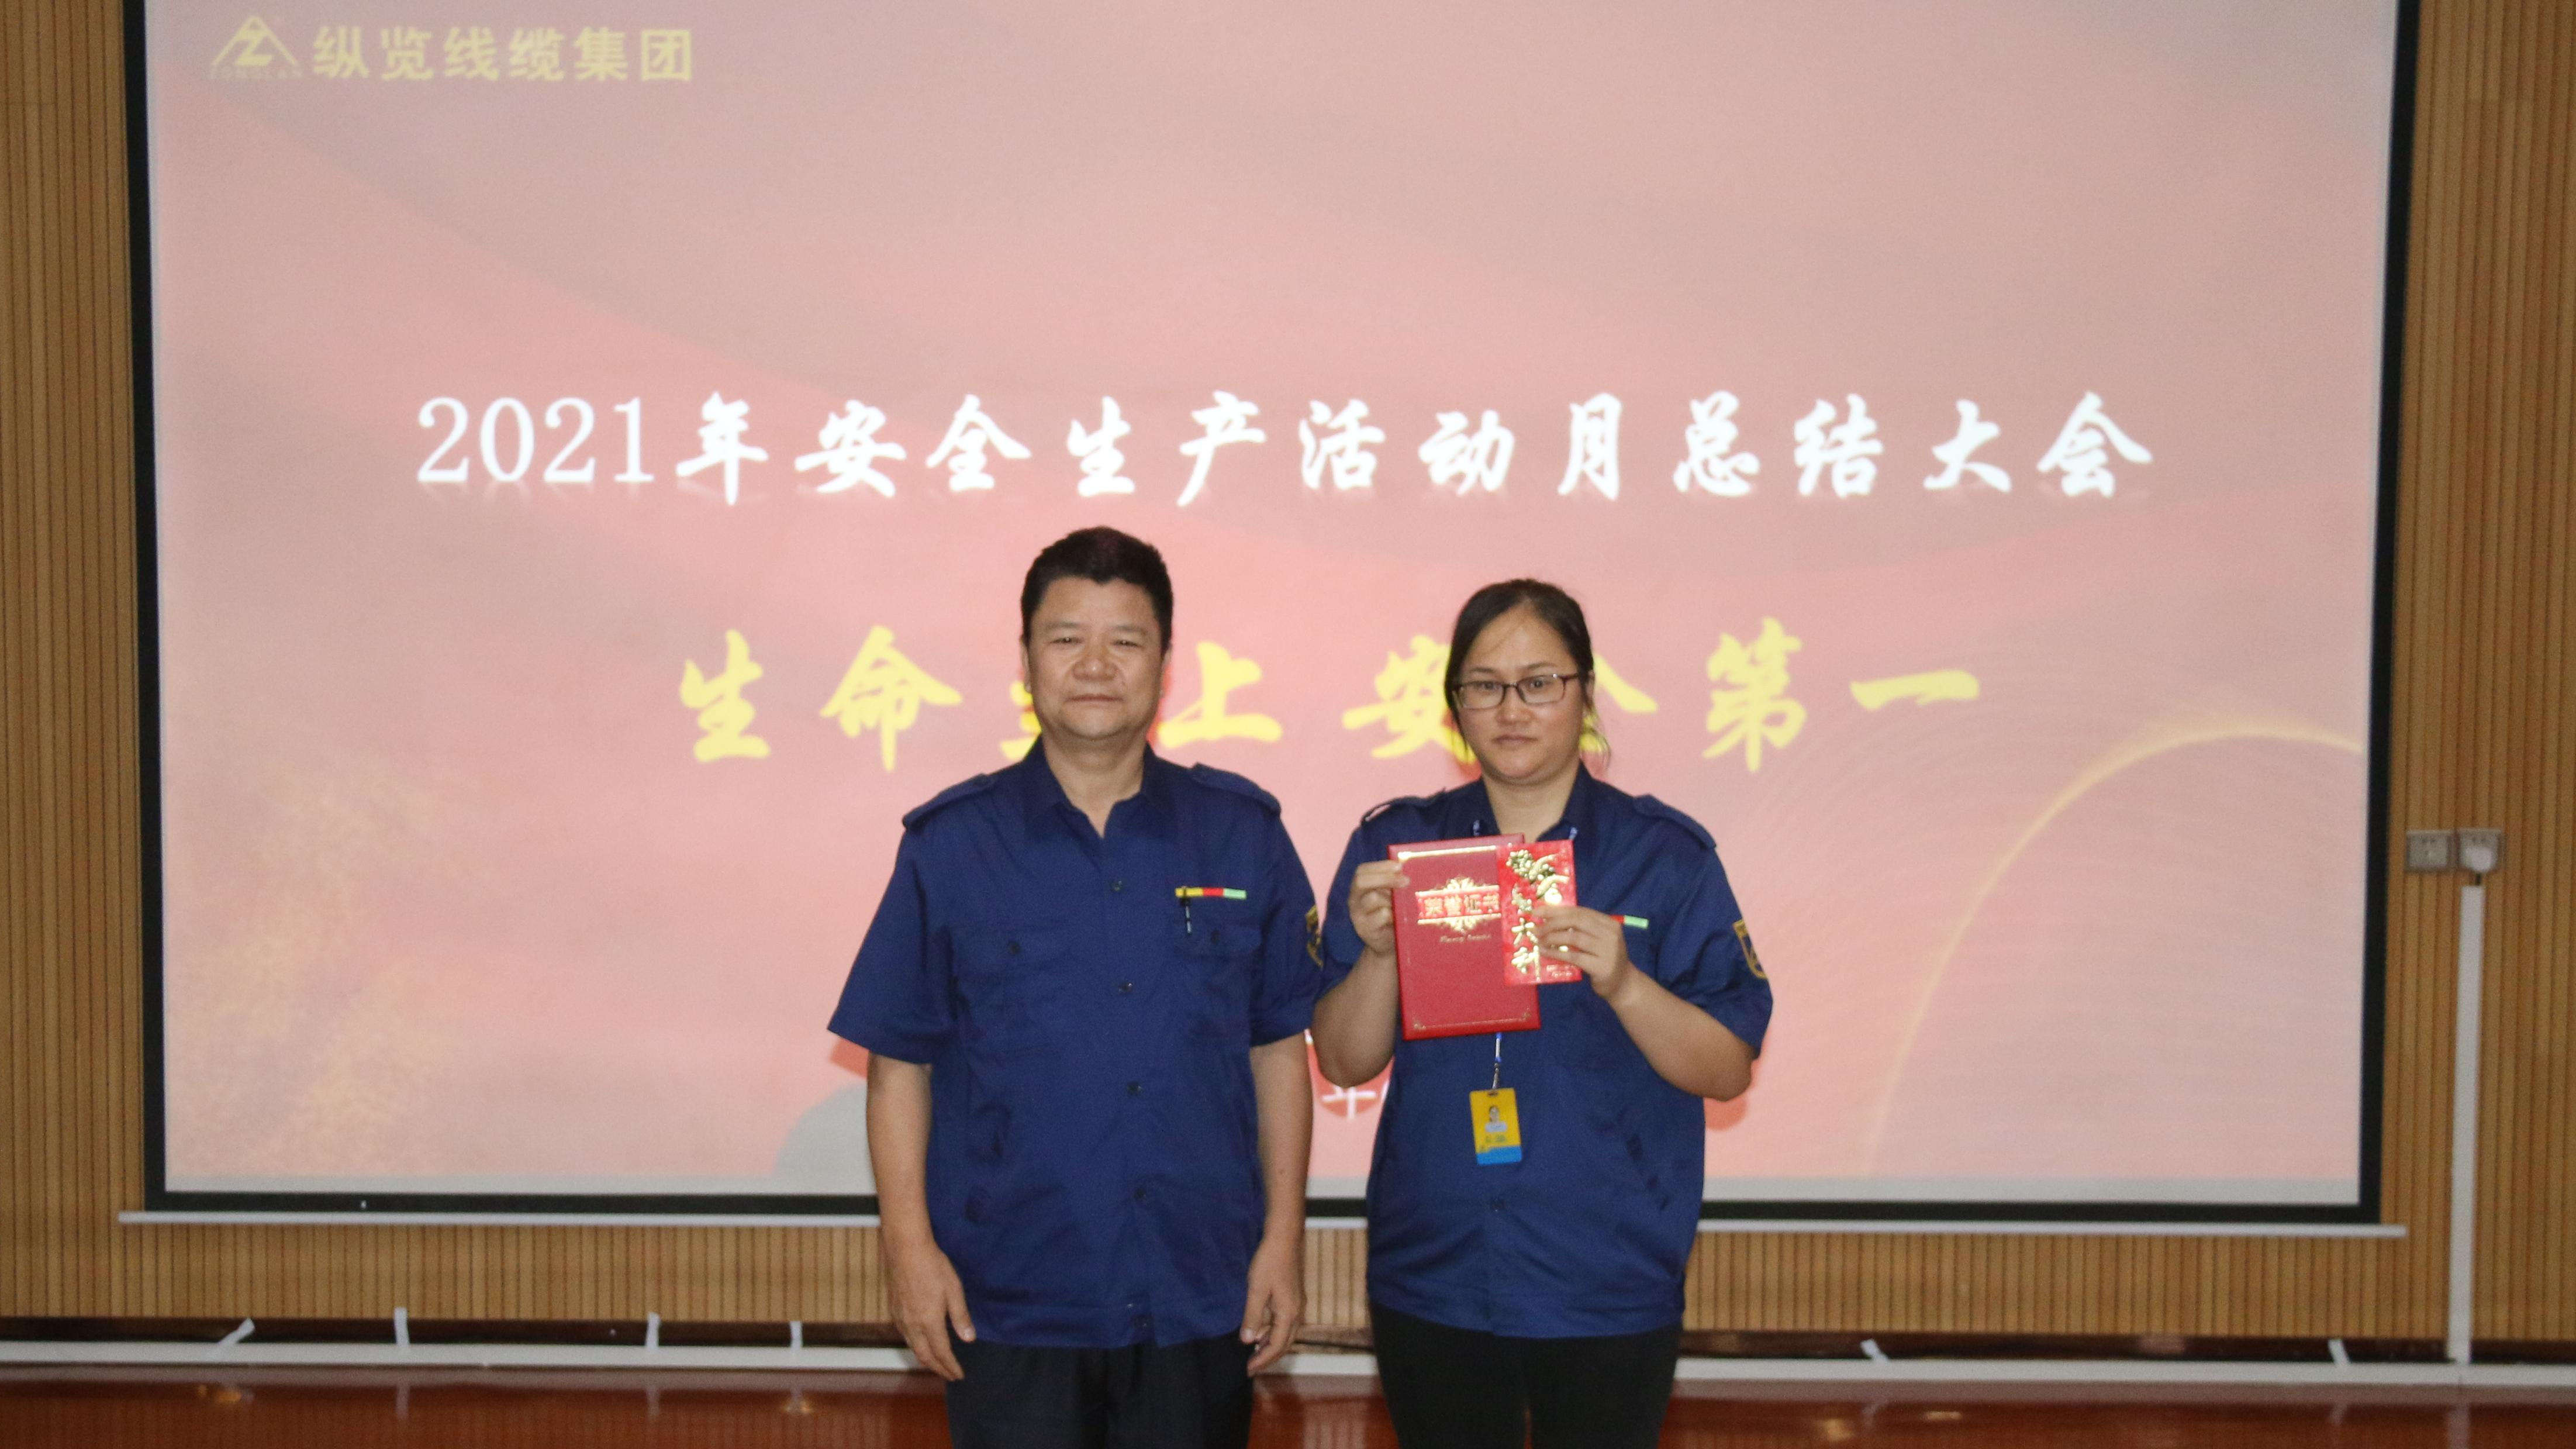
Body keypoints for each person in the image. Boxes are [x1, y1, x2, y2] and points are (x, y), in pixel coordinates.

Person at [829, 527, 1317, 1449]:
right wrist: (909, 1252)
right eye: (1066, 639)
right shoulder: (951, 844)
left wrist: (1283, 1242)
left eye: (1125, 640)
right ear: (1025, 660)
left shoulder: (1240, 833)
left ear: (1164, 664)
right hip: (1008, 1295)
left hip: (1195, 1285)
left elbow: (1277, 1049)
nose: (1095, 665)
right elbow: (898, 1067)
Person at [1308, 579, 1773, 1449]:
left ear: (1584, 693)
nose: (1511, 709)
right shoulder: (1398, 850)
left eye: (1539, 683)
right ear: (1455, 706)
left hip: (1605, 1271)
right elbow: (1342, 1060)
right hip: (1436, 1267)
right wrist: (1380, 954)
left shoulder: (1664, 856)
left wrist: (1626, 984)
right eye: (1483, 686)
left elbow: (1726, 1068)